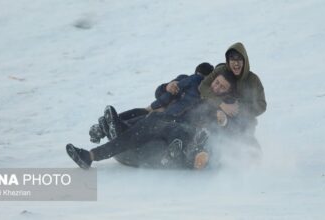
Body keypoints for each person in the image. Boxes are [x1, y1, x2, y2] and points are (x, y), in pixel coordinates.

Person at [66, 71, 238, 170]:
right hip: (160, 128)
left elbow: (230, 132)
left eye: (222, 87)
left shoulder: (220, 108)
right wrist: (167, 87)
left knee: (156, 124)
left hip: (176, 138)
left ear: (227, 93)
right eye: (216, 82)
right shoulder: (194, 87)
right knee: (150, 119)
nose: (217, 87)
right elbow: (161, 94)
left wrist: (223, 121)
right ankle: (105, 137)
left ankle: (106, 134)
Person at [89, 62, 214, 143]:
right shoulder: (183, 79)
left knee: (147, 116)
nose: (198, 79)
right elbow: (158, 93)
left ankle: (114, 126)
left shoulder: (203, 96)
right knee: (143, 111)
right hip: (156, 108)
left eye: (202, 77)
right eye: (197, 75)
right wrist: (167, 87)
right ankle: (103, 126)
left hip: (165, 118)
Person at [199, 42, 266, 137]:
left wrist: (239, 108)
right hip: (219, 117)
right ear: (228, 61)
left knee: (249, 146)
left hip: (245, 124)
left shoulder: (253, 80)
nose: (236, 63)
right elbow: (203, 87)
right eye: (232, 59)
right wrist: (221, 104)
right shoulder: (221, 70)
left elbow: (262, 105)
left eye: (239, 59)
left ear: (245, 61)